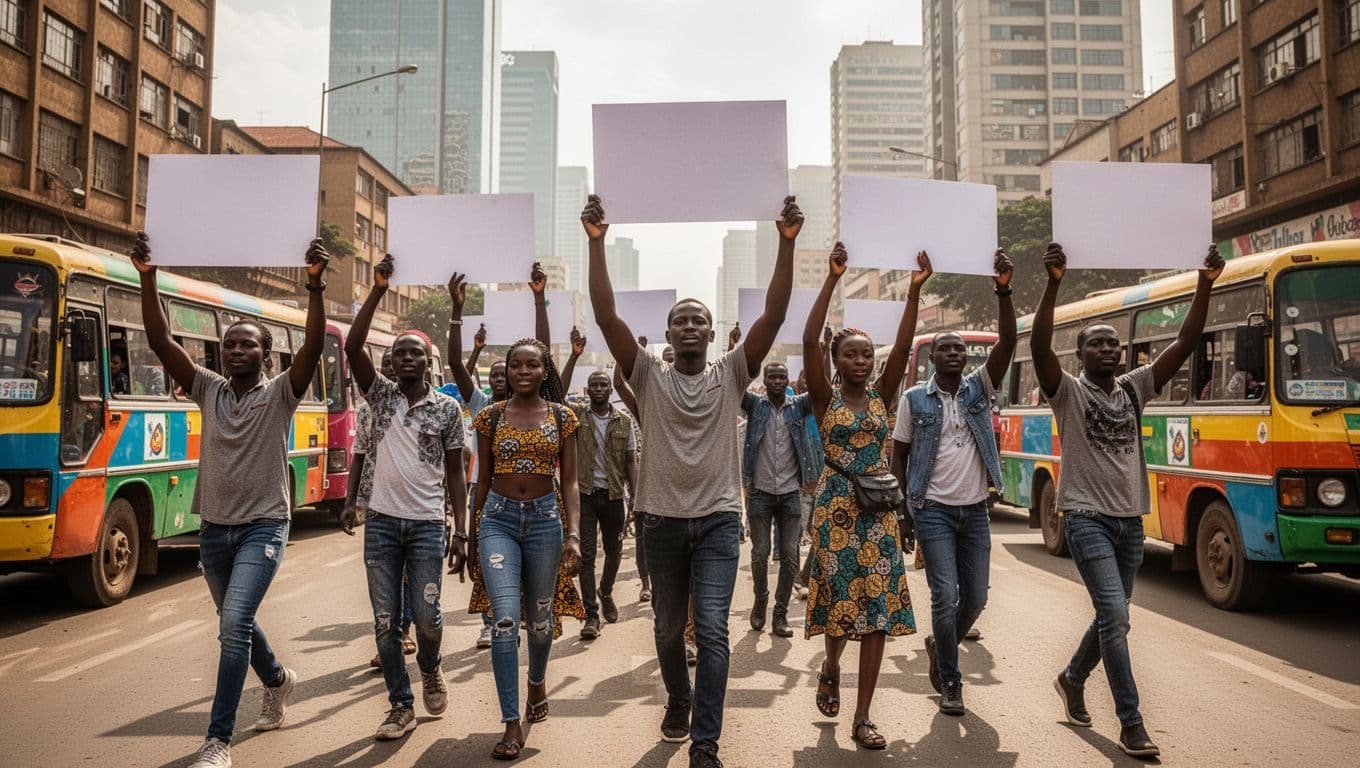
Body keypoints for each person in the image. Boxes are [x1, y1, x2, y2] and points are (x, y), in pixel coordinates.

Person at [583, 193, 803, 768]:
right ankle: (679, 697)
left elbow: (774, 317)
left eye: (697, 319)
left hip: (718, 523)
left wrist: (786, 243)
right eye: (679, 319)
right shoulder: (647, 376)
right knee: (663, 634)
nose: (688, 325)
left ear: (710, 333)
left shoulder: (732, 375)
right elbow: (606, 317)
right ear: (667, 332)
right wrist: (596, 243)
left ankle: (705, 742)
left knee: (711, 632)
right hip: (659, 522)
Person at [130, 231, 326, 768]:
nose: (237, 350)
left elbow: (311, 347)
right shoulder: (207, 388)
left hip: (264, 525)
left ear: (266, 353)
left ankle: (218, 740)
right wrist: (148, 276)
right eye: (230, 345)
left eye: (248, 344)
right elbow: (159, 338)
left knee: (233, 623)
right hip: (214, 527)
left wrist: (313, 286)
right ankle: (280, 680)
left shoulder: (282, 392)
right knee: (235, 622)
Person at [1034, 242, 1223, 759]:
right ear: (1081, 355)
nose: (1108, 350)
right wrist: (1053, 283)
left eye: (1114, 344)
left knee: (1113, 617)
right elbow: (1038, 346)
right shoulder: (1068, 392)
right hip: (1086, 519)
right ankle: (1131, 723)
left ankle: (1073, 679)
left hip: (1129, 524)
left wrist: (1204, 281)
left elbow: (1186, 341)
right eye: (1097, 344)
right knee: (1116, 618)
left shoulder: (1135, 388)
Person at [803, 242, 928, 750]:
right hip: (835, 510)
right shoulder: (823, 398)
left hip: (877, 510)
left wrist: (915, 292)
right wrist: (832, 280)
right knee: (840, 606)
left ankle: (863, 715)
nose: (861, 360)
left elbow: (902, 348)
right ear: (836, 361)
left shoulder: (883, 393)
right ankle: (830, 665)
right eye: (850, 353)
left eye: (866, 354)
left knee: (877, 609)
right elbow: (810, 337)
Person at [340, 256, 467, 741]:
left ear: (427, 363)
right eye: (399, 354)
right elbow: (353, 345)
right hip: (384, 526)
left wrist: (462, 529)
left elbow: (456, 475)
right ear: (391, 364)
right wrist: (377, 289)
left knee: (428, 619)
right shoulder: (383, 397)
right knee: (387, 621)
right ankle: (400, 703)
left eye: (415, 353)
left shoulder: (448, 410)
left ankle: (432, 667)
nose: (406, 359)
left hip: (429, 526)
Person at [890, 249, 1015, 716]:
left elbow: (1008, 343)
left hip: (976, 510)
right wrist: (904, 510)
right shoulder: (913, 400)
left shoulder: (979, 389)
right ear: (933, 359)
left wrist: (1003, 289)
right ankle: (951, 679)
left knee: (976, 599)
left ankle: (937, 643)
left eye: (960, 348)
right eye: (946, 347)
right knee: (945, 595)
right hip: (933, 510)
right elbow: (898, 453)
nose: (954, 352)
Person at [468, 336, 582, 760]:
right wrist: (467, 535)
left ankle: (536, 679)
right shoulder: (489, 417)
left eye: (532, 365)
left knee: (538, 621)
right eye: (515, 365)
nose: (522, 372)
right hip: (497, 520)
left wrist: (573, 534)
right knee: (504, 621)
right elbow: (480, 483)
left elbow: (569, 482)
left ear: (544, 370)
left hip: (544, 523)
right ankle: (511, 722)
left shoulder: (563, 417)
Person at [343, 351, 419, 668]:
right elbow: (359, 454)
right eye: (385, 364)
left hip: (416, 505)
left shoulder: (429, 406)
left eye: (394, 364)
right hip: (378, 503)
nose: (390, 369)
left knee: (408, 576)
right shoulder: (366, 410)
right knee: (387, 578)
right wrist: (351, 502)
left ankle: (406, 632)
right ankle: (390, 639)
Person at [563, 335, 640, 640]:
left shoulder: (623, 421)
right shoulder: (576, 417)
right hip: (583, 497)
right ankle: (591, 615)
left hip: (613, 497)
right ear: (587, 390)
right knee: (585, 554)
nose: (598, 389)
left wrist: (636, 496)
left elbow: (632, 460)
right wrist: (573, 357)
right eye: (593, 385)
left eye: (603, 385)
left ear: (610, 390)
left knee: (615, 550)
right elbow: (556, 393)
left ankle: (605, 590)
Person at [741, 361, 820, 638]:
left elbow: (820, 385)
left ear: (788, 381)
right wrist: (733, 350)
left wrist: (820, 352)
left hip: (790, 493)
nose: (776, 381)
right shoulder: (754, 405)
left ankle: (780, 613)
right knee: (760, 551)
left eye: (781, 377)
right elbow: (735, 385)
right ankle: (761, 598)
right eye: (771, 377)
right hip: (760, 493)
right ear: (764, 380)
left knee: (790, 555)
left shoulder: (798, 406)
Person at [446, 278, 500, 651]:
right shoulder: (481, 406)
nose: (500, 380)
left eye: (504, 374)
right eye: (493, 376)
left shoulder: (533, 408)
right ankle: (488, 622)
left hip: (523, 498)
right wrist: (459, 313)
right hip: (481, 493)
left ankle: (512, 615)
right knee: (481, 560)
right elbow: (455, 367)